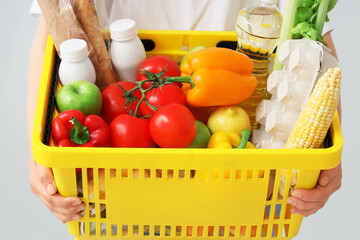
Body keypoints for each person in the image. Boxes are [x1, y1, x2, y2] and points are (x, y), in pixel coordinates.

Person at [28, 0, 342, 223]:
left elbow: (313, 38)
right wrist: (36, 157)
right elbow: (54, 26)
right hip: (137, 115)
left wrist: (331, 156)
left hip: (227, 130)